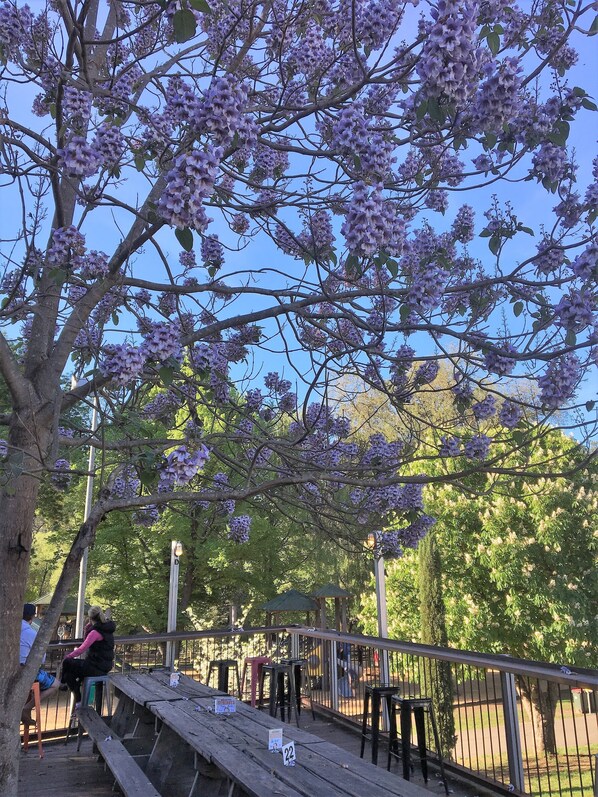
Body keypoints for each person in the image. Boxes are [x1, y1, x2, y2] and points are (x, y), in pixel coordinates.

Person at [60, 605, 116, 707]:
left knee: (67, 662)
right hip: (104, 666)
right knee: (69, 675)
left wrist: (68, 656)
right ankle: (77, 699)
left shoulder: (95, 632)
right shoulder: (107, 629)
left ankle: (64, 685)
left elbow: (82, 648)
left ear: (90, 618)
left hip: (95, 666)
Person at [20, 603, 60, 725]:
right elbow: (41, 659)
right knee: (56, 684)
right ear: (32, 617)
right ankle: (27, 707)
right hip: (27, 671)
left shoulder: (10, 630)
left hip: (10, 670)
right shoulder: (31, 634)